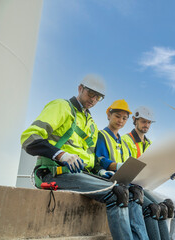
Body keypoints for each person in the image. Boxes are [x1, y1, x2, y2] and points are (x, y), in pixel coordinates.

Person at [20, 75, 135, 240]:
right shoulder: (62, 107)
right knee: (117, 194)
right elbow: (29, 139)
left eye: (98, 97)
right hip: (54, 171)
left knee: (130, 191)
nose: (93, 100)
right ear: (80, 88)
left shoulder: (91, 124)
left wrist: (102, 173)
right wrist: (61, 155)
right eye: (91, 94)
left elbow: (92, 161)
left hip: (81, 175)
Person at [122, 106, 175, 240]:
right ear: (134, 120)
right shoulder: (125, 140)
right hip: (133, 187)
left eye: (148, 122)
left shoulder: (151, 144)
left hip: (146, 186)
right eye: (143, 121)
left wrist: (169, 173)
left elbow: (157, 168)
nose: (146, 125)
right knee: (163, 208)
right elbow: (124, 167)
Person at [95, 99, 149, 240]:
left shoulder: (122, 142)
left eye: (124, 118)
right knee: (127, 195)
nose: (121, 120)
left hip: (123, 180)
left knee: (137, 194)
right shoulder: (102, 135)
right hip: (109, 179)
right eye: (117, 116)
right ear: (109, 115)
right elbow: (100, 159)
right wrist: (117, 167)